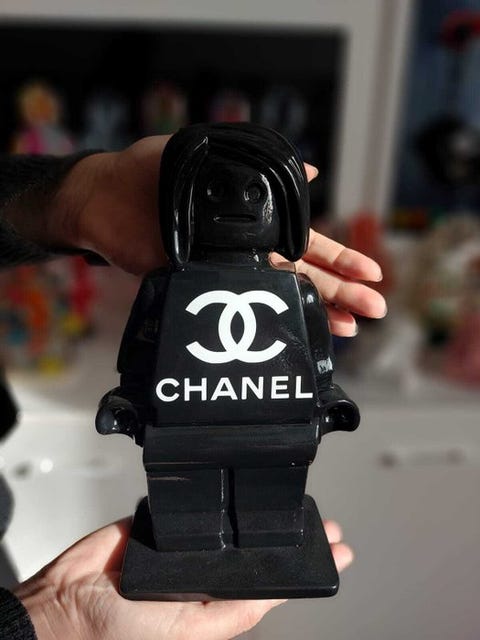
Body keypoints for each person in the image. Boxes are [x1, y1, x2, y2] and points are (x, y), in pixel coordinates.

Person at [0, 135, 387, 640]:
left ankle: (268, 529)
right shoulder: (165, 288)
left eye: (255, 193)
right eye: (216, 191)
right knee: (183, 517)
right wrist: (129, 397)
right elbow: (139, 352)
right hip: (180, 434)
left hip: (276, 432)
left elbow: (317, 360)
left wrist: (329, 397)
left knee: (272, 511)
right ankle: (188, 536)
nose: (236, 204)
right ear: (182, 206)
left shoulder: (298, 292)